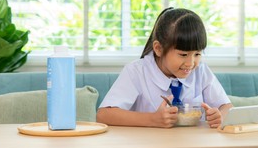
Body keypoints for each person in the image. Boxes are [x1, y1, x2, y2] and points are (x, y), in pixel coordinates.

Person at [96, 7, 232, 128]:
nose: (191, 63)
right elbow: (104, 115)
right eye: (183, 54)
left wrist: (219, 115)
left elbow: (226, 106)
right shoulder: (137, 71)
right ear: (158, 49)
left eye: (197, 54)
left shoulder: (200, 71)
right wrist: (152, 119)